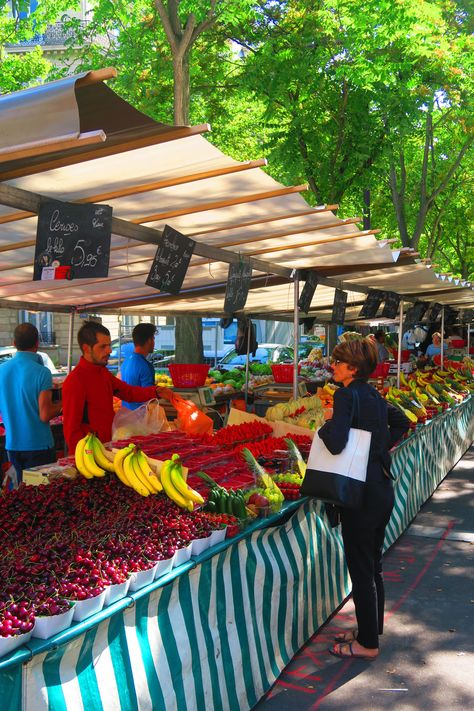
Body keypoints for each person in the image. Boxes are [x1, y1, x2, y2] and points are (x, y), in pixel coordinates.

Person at [317, 337, 409, 660]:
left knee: (360, 568)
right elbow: (403, 422)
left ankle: (367, 644)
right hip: (381, 488)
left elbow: (336, 442)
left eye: (338, 363)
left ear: (352, 369)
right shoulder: (373, 394)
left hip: (359, 495)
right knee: (373, 565)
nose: (333, 367)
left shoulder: (344, 395)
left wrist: (323, 427)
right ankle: (371, 628)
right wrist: (378, 450)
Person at [62, 320, 160, 453]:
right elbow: (71, 430)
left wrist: (157, 391)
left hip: (108, 448)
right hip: (90, 455)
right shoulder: (75, 381)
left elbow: (129, 392)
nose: (109, 350)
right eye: (102, 347)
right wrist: (85, 457)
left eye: (109, 345)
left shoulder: (103, 373)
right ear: (86, 348)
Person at [0, 323, 62, 485]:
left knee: (23, 497)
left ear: (14, 343)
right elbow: (45, 414)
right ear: (37, 344)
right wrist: (62, 404)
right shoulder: (42, 372)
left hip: (12, 444)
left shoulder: (2, 370)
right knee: (41, 497)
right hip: (39, 445)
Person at [120, 323, 156, 410]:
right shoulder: (145, 366)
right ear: (149, 340)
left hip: (126, 415)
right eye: (153, 338)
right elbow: (149, 399)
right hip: (140, 419)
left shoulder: (126, 361)